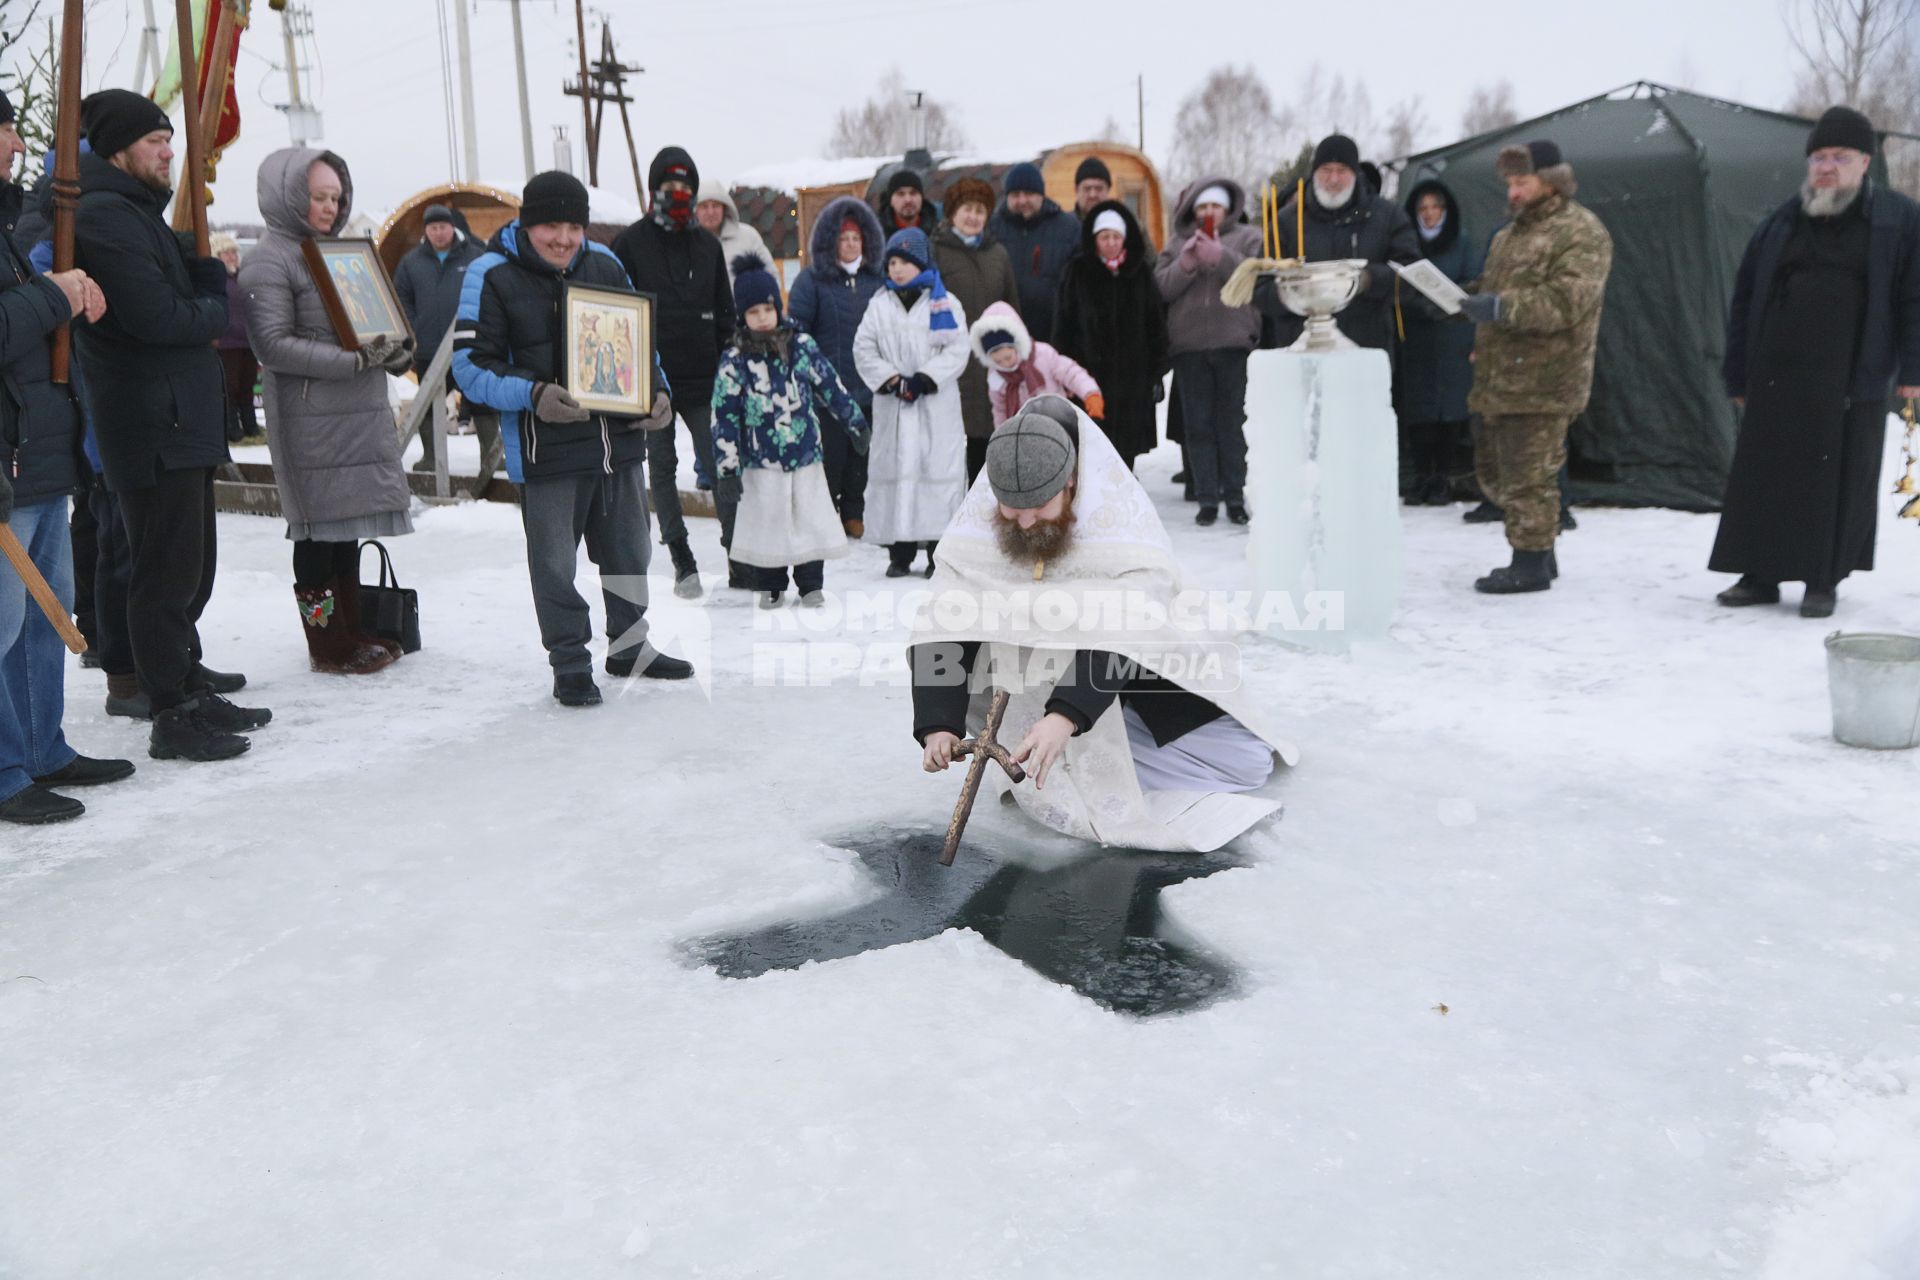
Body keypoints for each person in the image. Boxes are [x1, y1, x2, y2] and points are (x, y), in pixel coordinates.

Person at [909, 398, 1297, 853]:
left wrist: (1066, 716)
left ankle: (1091, 750)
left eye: (1038, 505)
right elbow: (945, 620)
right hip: (1035, 689)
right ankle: (1071, 753)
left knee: (1247, 765)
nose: (1026, 521)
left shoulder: (1118, 527)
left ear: (1071, 482)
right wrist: (939, 723)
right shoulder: (978, 534)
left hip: (1128, 683)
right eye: (1011, 509)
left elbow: (1130, 624)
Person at [71, 88, 269, 762]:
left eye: (169, 139)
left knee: (190, 567)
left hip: (176, 418)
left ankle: (185, 674)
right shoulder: (103, 217)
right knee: (161, 574)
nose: (169, 151)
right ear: (119, 149)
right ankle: (171, 709)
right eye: (156, 141)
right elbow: (161, 320)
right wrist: (213, 297)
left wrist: (193, 272)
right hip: (150, 420)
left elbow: (170, 296)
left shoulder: (136, 214)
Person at [454, 171, 692, 705]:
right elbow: (468, 366)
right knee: (555, 568)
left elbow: (640, 346)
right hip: (549, 452)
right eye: (549, 226)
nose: (563, 238)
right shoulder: (490, 275)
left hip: (619, 444)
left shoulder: (605, 264)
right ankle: (569, 663)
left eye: (572, 226)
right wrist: (533, 394)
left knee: (631, 551)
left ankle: (631, 645)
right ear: (526, 223)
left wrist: (658, 393)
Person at [1710, 106, 1920, 619]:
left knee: (1837, 480)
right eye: (1819, 157)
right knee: (1765, 475)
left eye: (1839, 157)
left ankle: (1822, 580)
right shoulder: (1784, 219)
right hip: (1777, 375)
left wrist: (1914, 371)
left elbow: (1915, 298)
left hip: (1850, 377)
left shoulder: (1897, 219)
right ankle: (1758, 574)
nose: (1826, 167)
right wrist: (1739, 371)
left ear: (1865, 162)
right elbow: (1745, 298)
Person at [0, 88, 135, 825]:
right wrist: (56, 293)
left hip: (43, 452)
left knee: (43, 619)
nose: (19, 143)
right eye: (9, 129)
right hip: (9, 456)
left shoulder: (8, 227)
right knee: (1, 623)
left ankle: (41, 748)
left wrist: (67, 292)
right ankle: (4, 767)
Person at [241, 147, 415, 676]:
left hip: (355, 414)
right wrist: (355, 360)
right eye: (317, 196)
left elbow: (376, 320)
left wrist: (396, 347)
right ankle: (326, 642)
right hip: (308, 419)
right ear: (290, 195)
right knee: (317, 533)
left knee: (345, 529)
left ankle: (352, 630)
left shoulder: (342, 253)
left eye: (336, 197)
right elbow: (273, 346)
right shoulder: (268, 261)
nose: (329, 207)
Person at [1458, 139, 1614, 594]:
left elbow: (1566, 301)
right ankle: (1541, 555)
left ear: (1551, 181)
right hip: (1501, 374)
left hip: (1546, 377)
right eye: (1509, 183)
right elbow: (1497, 290)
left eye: (1522, 182)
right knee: (1505, 472)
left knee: (1530, 474)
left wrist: (1498, 307)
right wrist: (1459, 299)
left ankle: (1527, 563)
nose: (1513, 191)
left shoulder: (1581, 231)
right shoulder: (1510, 236)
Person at [612, 147, 736, 597]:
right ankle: (682, 559)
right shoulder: (629, 244)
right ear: (654, 191)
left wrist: (729, 365)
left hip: (706, 378)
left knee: (723, 468)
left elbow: (726, 314)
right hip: (653, 382)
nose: (679, 195)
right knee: (662, 470)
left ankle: (737, 554)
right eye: (670, 188)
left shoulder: (707, 245)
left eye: (686, 189)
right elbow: (615, 312)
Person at [712, 254, 869, 609]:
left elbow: (830, 384)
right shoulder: (735, 359)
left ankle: (811, 583)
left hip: (804, 454)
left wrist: (854, 422)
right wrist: (727, 467)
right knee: (769, 525)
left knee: (809, 520)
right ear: (743, 316)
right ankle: (771, 584)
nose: (762, 317)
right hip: (761, 460)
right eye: (753, 312)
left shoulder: (799, 346)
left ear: (777, 307)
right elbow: (724, 414)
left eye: (767, 308)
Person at [853, 227, 971, 578]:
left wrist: (925, 378)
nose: (898, 268)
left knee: (936, 476)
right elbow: (864, 349)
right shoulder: (878, 306)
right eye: (892, 262)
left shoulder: (946, 303)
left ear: (920, 263)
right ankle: (899, 553)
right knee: (896, 475)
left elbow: (958, 348)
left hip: (934, 406)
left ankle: (939, 552)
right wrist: (891, 379)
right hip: (895, 404)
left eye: (905, 261)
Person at [1154, 177, 1261, 527]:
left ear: (1228, 208)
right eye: (1202, 207)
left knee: (1230, 424)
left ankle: (1234, 495)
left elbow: (1255, 280)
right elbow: (1161, 289)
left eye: (1214, 206)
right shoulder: (1176, 243)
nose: (1208, 212)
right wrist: (1185, 265)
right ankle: (1206, 498)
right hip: (1190, 346)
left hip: (1232, 342)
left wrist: (1220, 256)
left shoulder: (1248, 238)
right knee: (1197, 427)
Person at [1256, 134, 1419, 355]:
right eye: (1326, 170)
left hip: (1365, 351)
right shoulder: (1285, 222)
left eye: (1342, 170)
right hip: (1299, 352)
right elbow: (1259, 288)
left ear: (1355, 173)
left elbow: (1411, 277)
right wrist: (1294, 291)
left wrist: (1368, 279)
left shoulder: (1387, 216)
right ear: (1314, 174)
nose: (1333, 179)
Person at [789, 196, 885, 537]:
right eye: (843, 238)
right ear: (831, 242)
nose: (849, 244)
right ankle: (826, 513)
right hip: (827, 392)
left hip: (870, 387)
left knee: (862, 457)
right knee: (831, 458)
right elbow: (796, 330)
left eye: (855, 238)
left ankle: (853, 513)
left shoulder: (877, 280)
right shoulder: (812, 280)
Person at [1054, 201, 1169, 473]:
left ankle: (1124, 488)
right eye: (1104, 237)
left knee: (1127, 446)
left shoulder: (1140, 272)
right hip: (1090, 376)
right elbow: (1064, 324)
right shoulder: (1078, 272)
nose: (1110, 243)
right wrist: (1066, 372)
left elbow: (1156, 324)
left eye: (1116, 237)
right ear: (1094, 240)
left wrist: (1156, 371)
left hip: (1133, 378)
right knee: (1091, 443)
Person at [1394, 179, 1484, 505]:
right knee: (1420, 409)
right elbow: (1400, 285)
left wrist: (1450, 302)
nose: (1429, 214)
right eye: (1423, 208)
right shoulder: (1407, 243)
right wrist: (1420, 304)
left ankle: (1443, 478)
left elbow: (1473, 279)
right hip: (1417, 333)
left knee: (1450, 408)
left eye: (1435, 207)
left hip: (1453, 332)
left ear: (1445, 211)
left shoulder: (1461, 241)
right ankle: (1421, 476)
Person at [930, 177, 1021, 482]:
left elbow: (1011, 306)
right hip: (952, 362)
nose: (973, 217)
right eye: (967, 209)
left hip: (992, 361)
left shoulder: (998, 254)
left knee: (988, 436)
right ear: (953, 212)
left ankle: (985, 506)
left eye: (980, 211)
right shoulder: (936, 252)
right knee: (953, 439)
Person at [393, 203, 486, 473]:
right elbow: (402, 299)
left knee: (482, 403)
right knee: (427, 406)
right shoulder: (411, 262)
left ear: (452, 227)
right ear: (426, 231)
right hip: (429, 349)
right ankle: (431, 457)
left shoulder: (474, 256)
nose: (438, 233)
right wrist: (414, 330)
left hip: (469, 347)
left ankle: (491, 456)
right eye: (432, 228)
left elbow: (488, 295)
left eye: (442, 227)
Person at [968, 300, 1102, 428]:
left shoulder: (1042, 355)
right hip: (1024, 432)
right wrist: (1001, 438)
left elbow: (1070, 372)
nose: (1004, 364)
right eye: (997, 361)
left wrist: (1090, 393)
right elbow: (1000, 411)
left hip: (1058, 423)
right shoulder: (996, 376)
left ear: (1017, 345)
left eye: (1008, 357)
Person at [988, 161, 1078, 343]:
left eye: (1029, 194)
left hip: (1054, 335)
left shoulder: (1069, 228)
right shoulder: (991, 228)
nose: (1022, 200)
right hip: (1004, 336)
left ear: (1041, 195)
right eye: (1015, 195)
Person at [208, 232, 260, 445]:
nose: (231, 256)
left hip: (248, 341)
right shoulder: (216, 279)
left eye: (233, 252)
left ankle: (251, 427)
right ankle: (232, 430)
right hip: (227, 343)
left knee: (247, 386)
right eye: (226, 253)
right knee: (230, 388)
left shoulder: (242, 278)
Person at [694, 178, 775, 285]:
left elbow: (771, 276)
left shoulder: (748, 236)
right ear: (695, 210)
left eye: (716, 205)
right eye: (704, 206)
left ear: (725, 208)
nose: (710, 212)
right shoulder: (686, 242)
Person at [877, 167, 938, 237]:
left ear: (922, 198)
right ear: (891, 200)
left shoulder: (938, 232)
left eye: (913, 193)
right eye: (901, 194)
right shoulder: (877, 235)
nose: (908, 200)